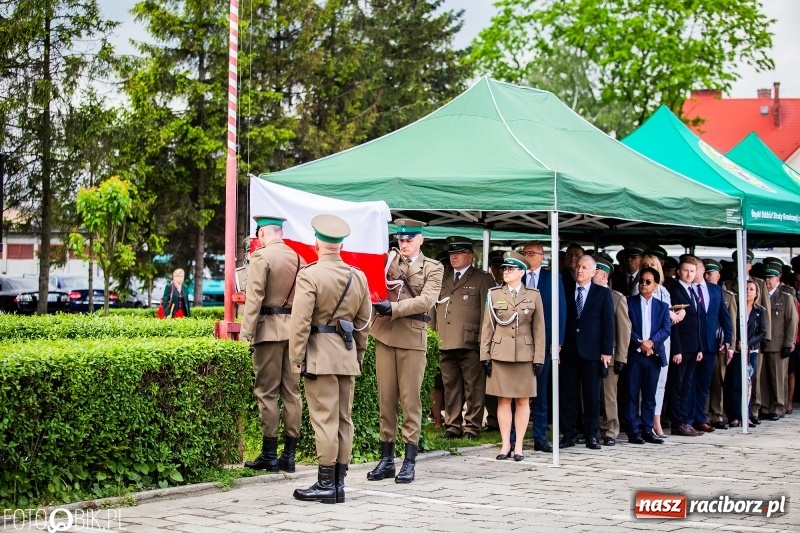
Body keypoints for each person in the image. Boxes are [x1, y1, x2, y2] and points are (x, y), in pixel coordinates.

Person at [289, 214, 372, 504]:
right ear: (339, 244)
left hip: (319, 356)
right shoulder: (357, 276)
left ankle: (326, 484)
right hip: (347, 355)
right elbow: (363, 323)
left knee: (324, 420)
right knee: (342, 420)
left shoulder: (310, 275)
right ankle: (338, 484)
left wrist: (295, 359)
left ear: (317, 243)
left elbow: (300, 323)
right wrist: (357, 355)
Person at [368, 219, 443, 484]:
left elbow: (427, 300)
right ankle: (387, 459)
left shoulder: (433, 267)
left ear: (421, 239)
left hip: (412, 338)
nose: (404, 244)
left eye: (409, 239)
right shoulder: (389, 261)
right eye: (400, 240)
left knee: (410, 402)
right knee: (386, 401)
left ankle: (409, 460)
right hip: (386, 336)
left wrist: (395, 309)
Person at [240, 216, 305, 473]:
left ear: (264, 232)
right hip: (293, 332)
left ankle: (269, 454)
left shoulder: (261, 257)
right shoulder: (298, 258)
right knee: (292, 392)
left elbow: (254, 299)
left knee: (266, 392)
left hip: (268, 331)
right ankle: (289, 455)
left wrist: (245, 335)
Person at [480, 252, 545, 461]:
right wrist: (485, 355)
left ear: (521, 272)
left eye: (510, 269)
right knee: (503, 400)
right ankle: (505, 443)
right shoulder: (494, 294)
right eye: (504, 269)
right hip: (501, 354)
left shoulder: (534, 295)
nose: (505, 272)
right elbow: (487, 327)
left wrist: (539, 358)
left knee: (524, 401)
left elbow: (539, 330)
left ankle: (519, 446)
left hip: (525, 355)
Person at [432, 237, 492, 439]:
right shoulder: (444, 279)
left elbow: (487, 314)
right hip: (445, 341)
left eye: (458, 254)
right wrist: (432, 337)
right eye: (452, 254)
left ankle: (472, 426)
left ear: (470, 256)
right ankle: (452, 425)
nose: (454, 257)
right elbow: (434, 310)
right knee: (451, 386)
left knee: (473, 386)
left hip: (470, 342)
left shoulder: (482, 279)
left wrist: (484, 344)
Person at [559, 255, 615, 450]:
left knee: (592, 395)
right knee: (568, 394)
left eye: (584, 267)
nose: (579, 270)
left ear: (593, 272)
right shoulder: (565, 290)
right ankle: (568, 434)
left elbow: (609, 324)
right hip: (569, 350)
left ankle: (591, 434)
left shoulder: (602, 293)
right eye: (578, 267)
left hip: (592, 351)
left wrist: (607, 351)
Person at [522, 241, 566, 453]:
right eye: (525, 253)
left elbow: (561, 311)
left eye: (531, 253)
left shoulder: (553, 278)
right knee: (519, 390)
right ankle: (515, 436)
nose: (528, 256)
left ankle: (540, 436)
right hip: (520, 342)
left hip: (545, 342)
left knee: (541, 390)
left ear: (542, 256)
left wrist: (557, 341)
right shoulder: (517, 277)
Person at [626, 266, 671, 444]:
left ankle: (647, 428)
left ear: (656, 286)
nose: (643, 284)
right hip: (635, 354)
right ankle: (633, 430)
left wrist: (652, 342)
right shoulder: (629, 302)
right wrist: (640, 342)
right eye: (641, 281)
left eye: (648, 282)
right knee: (631, 393)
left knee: (649, 395)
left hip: (653, 355)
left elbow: (666, 329)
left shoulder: (662, 306)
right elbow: (626, 326)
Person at [687, 259, 733, 433]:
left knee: (704, 384)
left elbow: (724, 316)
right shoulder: (686, 289)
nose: (695, 272)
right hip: (690, 344)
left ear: (703, 270)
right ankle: (688, 419)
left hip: (709, 345)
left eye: (696, 269)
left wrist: (728, 340)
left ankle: (700, 418)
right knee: (689, 382)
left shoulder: (715, 290)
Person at [592, 256, 631, 446]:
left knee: (609, 396)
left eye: (596, 273)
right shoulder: (585, 294)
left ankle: (610, 430)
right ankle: (590, 429)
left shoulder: (617, 298)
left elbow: (624, 329)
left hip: (611, 355)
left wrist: (621, 356)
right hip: (589, 354)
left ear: (605, 277)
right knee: (589, 395)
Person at [667, 256, 704, 437]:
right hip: (681, 348)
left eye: (692, 271)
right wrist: (677, 349)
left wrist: (699, 347)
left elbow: (697, 321)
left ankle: (684, 420)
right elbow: (674, 324)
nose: (689, 274)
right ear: (679, 272)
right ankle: (678, 422)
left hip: (693, 347)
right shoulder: (675, 291)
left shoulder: (692, 290)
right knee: (677, 385)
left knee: (686, 386)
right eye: (686, 270)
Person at [724, 280, 767, 428]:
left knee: (748, 384)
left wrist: (748, 343)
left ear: (756, 293)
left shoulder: (760, 310)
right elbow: (731, 326)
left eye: (751, 289)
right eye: (746, 289)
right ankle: (735, 416)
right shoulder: (736, 307)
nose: (748, 291)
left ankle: (746, 415)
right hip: (736, 350)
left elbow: (762, 332)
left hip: (751, 351)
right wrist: (736, 342)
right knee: (735, 383)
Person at [759, 261, 798, 420]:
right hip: (762, 343)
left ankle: (778, 406)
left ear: (778, 278)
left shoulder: (786, 296)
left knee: (778, 378)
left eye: (771, 277)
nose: (768, 280)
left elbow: (792, 321)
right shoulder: (760, 295)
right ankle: (766, 406)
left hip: (778, 343)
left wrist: (789, 343)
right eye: (766, 277)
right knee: (763, 378)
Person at [703, 258, 738, 430]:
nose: (708, 276)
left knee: (718, 381)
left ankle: (716, 414)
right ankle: (704, 415)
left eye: (711, 273)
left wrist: (730, 345)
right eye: (706, 273)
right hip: (705, 343)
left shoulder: (727, 296)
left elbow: (730, 321)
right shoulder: (700, 292)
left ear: (718, 275)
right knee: (704, 380)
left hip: (720, 344)